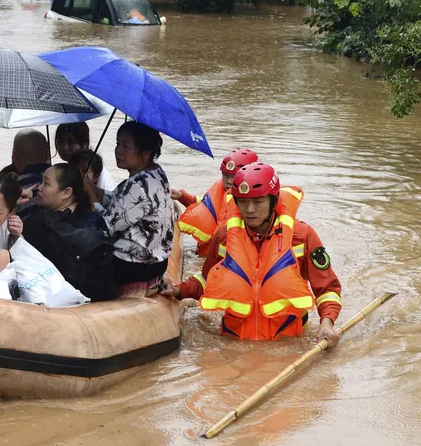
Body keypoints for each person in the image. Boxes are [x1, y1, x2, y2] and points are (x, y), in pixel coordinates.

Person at [165, 163, 343, 345]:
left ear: (273, 201)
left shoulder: (302, 236)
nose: (249, 209)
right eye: (243, 201)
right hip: (234, 344)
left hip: (287, 344)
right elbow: (207, 279)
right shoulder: (224, 236)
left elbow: (327, 288)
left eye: (258, 202)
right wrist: (179, 290)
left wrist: (327, 323)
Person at [101, 121, 177, 298]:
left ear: (145, 153)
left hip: (133, 265)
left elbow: (106, 228)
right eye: (118, 144)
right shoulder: (156, 172)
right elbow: (120, 200)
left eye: (126, 146)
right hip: (156, 262)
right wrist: (92, 190)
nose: (118, 151)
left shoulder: (138, 185)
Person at [22, 163, 118, 302]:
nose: (39, 188)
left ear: (66, 193)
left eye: (46, 183)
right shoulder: (96, 220)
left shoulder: (41, 221)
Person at [177, 147, 259, 256]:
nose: (229, 181)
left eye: (234, 176)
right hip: (206, 256)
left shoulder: (254, 208)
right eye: (225, 175)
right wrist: (182, 196)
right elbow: (204, 207)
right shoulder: (220, 189)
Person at [54, 123, 118, 192]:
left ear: (84, 144)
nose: (65, 148)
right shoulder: (65, 169)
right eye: (60, 142)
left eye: (71, 142)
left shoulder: (99, 175)